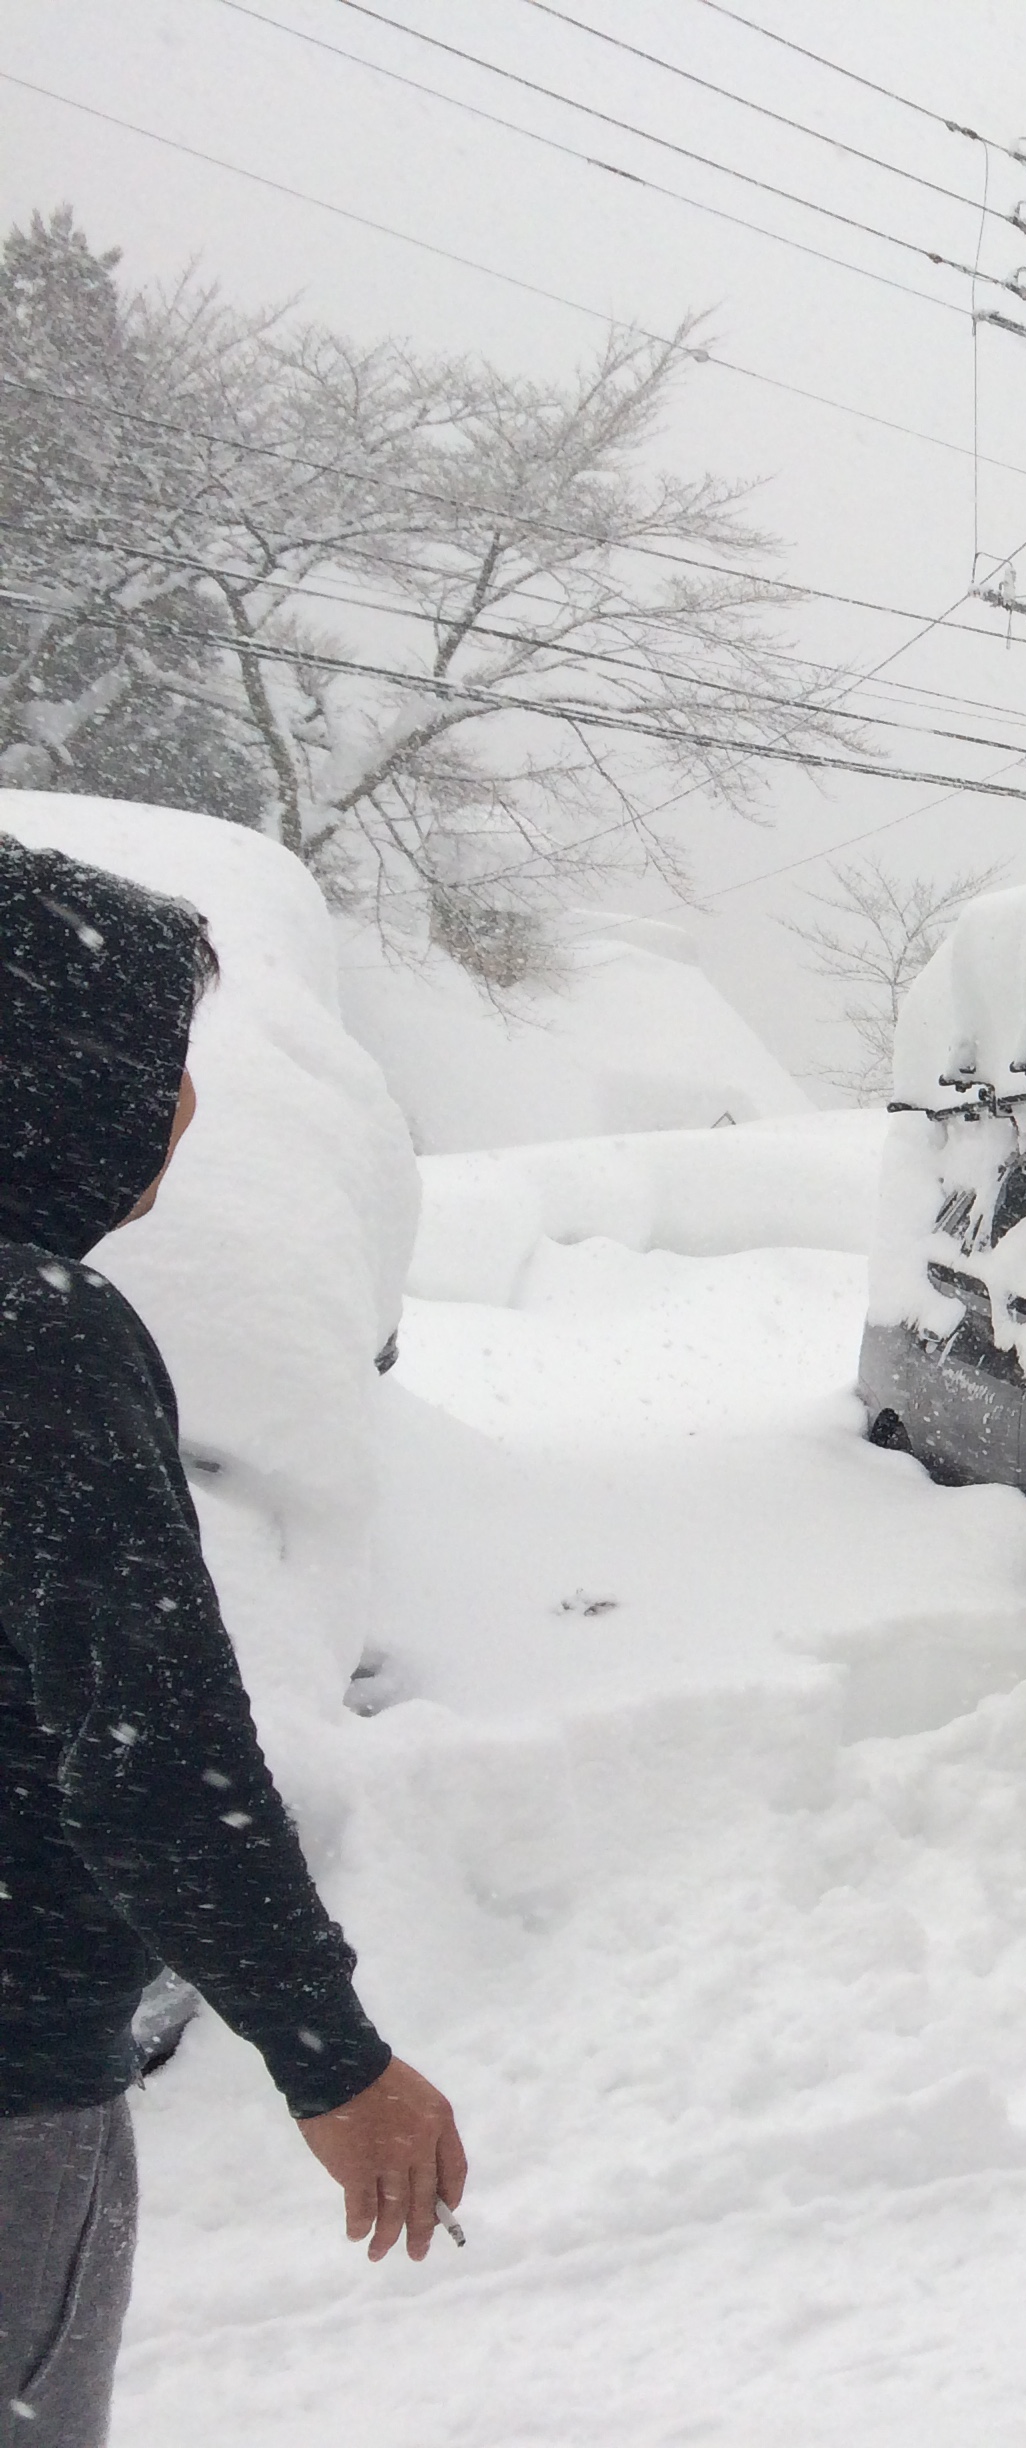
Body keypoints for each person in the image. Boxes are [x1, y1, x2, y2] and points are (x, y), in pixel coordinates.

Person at [2, 839, 466, 2446]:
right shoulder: (38, 1337)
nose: (184, 1111)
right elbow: (149, 1750)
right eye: (159, 1066)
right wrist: (335, 2061)